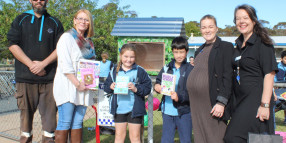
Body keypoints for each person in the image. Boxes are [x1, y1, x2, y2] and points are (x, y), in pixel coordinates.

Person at [7, 0, 64, 142]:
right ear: (30, 1)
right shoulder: (20, 19)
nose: (39, 1)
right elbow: (13, 45)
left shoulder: (55, 23)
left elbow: (61, 48)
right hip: (25, 80)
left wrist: (43, 64)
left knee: (50, 125)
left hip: (49, 81)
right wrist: (32, 65)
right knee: (25, 126)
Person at [224, 4, 278, 142]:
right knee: (251, 139)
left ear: (253, 20)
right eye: (237, 19)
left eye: (245, 18)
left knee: (232, 137)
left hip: (256, 98)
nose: (241, 22)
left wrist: (264, 105)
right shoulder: (238, 45)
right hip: (240, 99)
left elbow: (269, 74)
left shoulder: (263, 43)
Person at [186, 15, 234, 143]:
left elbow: (228, 75)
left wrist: (221, 102)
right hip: (196, 104)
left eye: (210, 27)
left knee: (215, 137)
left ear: (217, 28)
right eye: (204, 27)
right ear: (200, 30)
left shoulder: (225, 47)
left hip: (213, 102)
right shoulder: (199, 50)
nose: (207, 30)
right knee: (200, 137)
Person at [53, 9, 95, 142]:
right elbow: (65, 65)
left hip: (84, 88)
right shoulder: (67, 38)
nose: (83, 21)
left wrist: (89, 83)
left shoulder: (89, 43)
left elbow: (91, 66)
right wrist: (77, 84)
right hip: (69, 87)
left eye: (86, 19)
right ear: (75, 20)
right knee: (65, 122)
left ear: (89, 23)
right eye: (80, 18)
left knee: (77, 123)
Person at [104, 44, 152, 143]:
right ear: (121, 56)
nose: (129, 60)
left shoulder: (140, 71)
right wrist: (110, 86)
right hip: (119, 109)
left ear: (135, 57)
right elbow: (106, 86)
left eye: (132, 57)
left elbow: (147, 87)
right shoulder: (114, 70)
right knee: (119, 137)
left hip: (135, 110)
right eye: (126, 56)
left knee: (135, 138)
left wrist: (136, 88)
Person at [154, 36, 193, 143]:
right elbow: (158, 81)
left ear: (187, 52)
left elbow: (192, 92)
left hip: (184, 112)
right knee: (166, 140)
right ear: (172, 52)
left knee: (185, 140)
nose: (179, 55)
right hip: (167, 111)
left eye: (181, 52)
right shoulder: (167, 68)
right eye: (176, 52)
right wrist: (157, 87)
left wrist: (179, 97)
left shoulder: (191, 69)